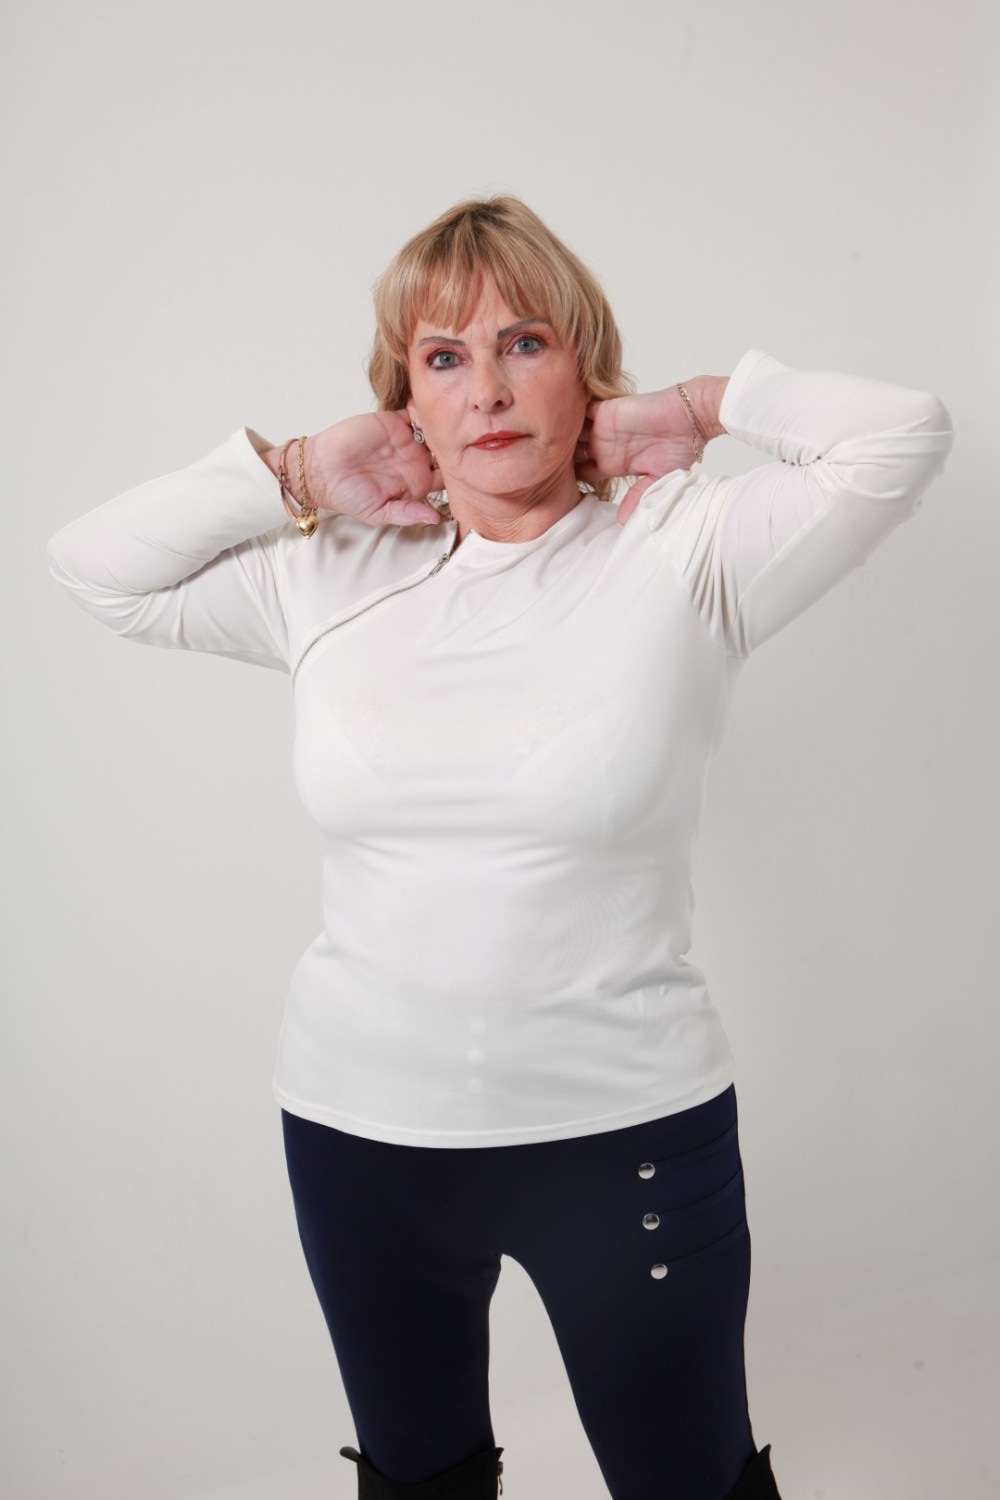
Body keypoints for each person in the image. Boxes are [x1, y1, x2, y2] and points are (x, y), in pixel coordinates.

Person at [47, 195, 954, 1500]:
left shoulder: (684, 548)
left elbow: (901, 437)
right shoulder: (328, 573)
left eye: (525, 342)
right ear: (404, 400)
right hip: (358, 1132)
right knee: (418, 1482)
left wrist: (704, 408)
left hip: (622, 1132)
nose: (486, 389)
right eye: (444, 357)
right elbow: (94, 569)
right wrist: (294, 472)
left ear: (585, 365)